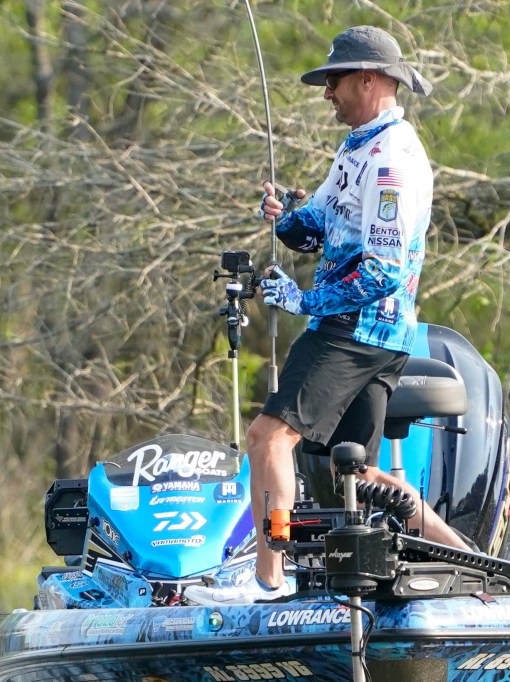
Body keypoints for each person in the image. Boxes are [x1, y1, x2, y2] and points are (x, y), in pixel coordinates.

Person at [185, 25, 471, 606]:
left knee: (268, 437)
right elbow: (318, 225)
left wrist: (304, 301)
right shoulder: (358, 147)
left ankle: (267, 580)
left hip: (354, 331)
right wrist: (284, 216)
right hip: (373, 335)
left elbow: (384, 272)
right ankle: (477, 564)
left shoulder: (391, 161)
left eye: (334, 81)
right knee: (357, 476)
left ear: (368, 79)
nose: (326, 94)